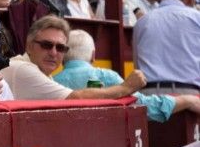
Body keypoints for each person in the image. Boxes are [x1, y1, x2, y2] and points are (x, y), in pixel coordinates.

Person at [54, 29, 200, 122]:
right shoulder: (106, 76)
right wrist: (187, 100)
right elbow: (147, 107)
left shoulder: (52, 82)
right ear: (93, 55)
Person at [0, 15, 148, 101]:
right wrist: (126, 87)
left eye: (60, 48)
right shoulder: (23, 69)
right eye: (46, 45)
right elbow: (76, 97)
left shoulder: (46, 74)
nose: (53, 52)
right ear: (29, 46)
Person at [134, 0, 200, 95]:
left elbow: (137, 66)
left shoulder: (142, 21)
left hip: (150, 94)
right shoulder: (197, 17)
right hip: (189, 93)